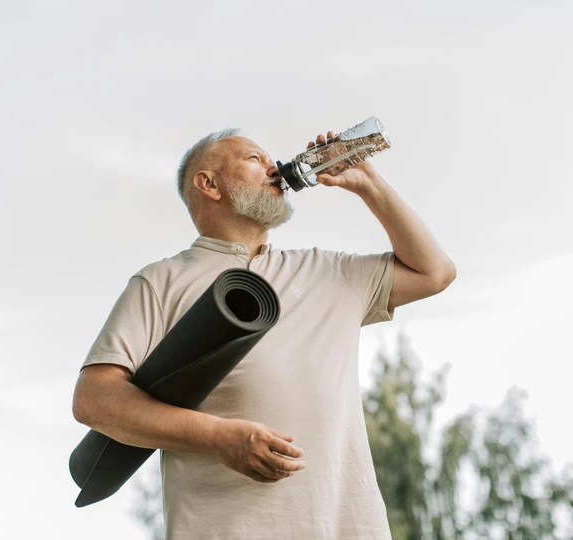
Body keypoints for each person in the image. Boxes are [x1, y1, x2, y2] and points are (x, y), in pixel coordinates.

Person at [72, 128, 456, 539]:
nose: (274, 167)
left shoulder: (330, 271)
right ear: (209, 184)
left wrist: (369, 183)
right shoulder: (160, 282)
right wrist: (219, 437)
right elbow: (94, 400)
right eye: (254, 159)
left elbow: (434, 272)